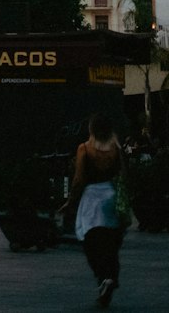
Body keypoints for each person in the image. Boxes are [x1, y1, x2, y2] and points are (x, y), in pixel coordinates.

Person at [64, 113, 125, 307]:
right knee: (110, 242)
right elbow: (124, 174)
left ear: (91, 129)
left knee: (89, 240)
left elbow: (79, 179)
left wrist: (70, 202)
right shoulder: (116, 149)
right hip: (112, 196)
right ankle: (110, 277)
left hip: (91, 199)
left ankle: (102, 277)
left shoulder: (84, 149)